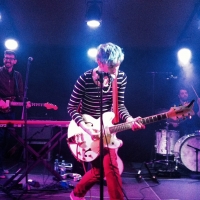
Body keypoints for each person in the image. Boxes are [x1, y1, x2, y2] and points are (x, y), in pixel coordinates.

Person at [67, 42, 145, 200]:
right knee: (100, 170)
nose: (115, 71)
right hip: (87, 130)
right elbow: (71, 108)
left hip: (108, 128)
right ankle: (76, 194)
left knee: (110, 168)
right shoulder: (84, 79)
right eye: (111, 67)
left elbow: (119, 105)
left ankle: (76, 194)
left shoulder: (121, 77)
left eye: (118, 66)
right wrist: (87, 129)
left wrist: (130, 120)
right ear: (99, 62)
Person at [0, 50, 24, 179]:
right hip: (0, 111)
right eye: (6, 58)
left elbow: (20, 93)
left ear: (15, 61)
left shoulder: (17, 75)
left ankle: (2, 166)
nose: (8, 60)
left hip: (11, 112)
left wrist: (25, 101)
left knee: (7, 140)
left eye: (10, 58)